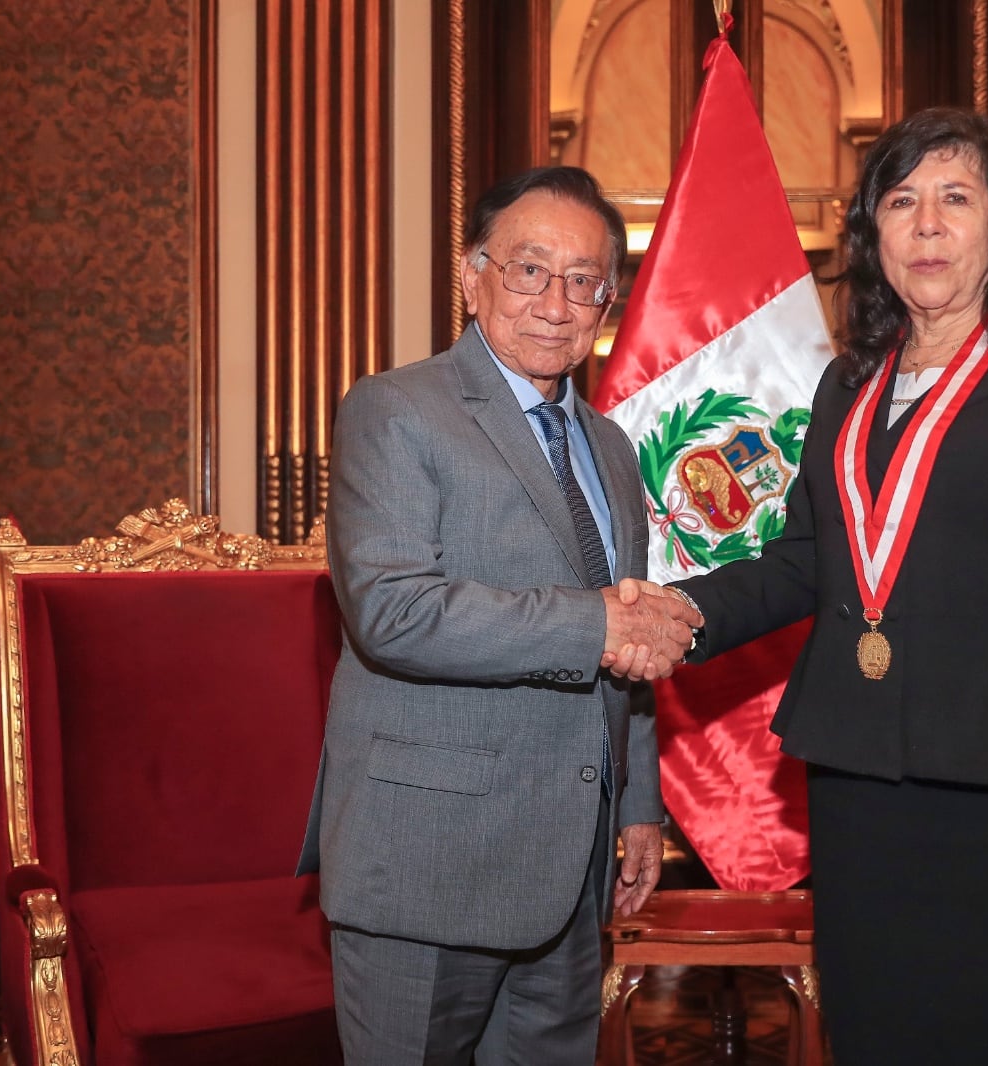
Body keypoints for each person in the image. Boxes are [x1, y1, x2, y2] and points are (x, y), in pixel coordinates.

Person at [611, 107, 988, 1063]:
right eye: (902, 202)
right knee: (875, 1034)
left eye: (956, 197)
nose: (929, 225)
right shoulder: (847, 385)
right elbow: (807, 559)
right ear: (874, 236)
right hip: (861, 781)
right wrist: (685, 610)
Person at [298, 165, 703, 1065]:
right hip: (427, 859)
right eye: (529, 270)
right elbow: (393, 612)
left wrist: (639, 806)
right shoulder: (395, 409)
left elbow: (628, 637)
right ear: (473, 274)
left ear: (608, 301)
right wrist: (593, 626)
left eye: (584, 281)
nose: (556, 303)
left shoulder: (610, 444)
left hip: (570, 867)